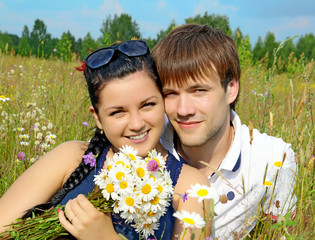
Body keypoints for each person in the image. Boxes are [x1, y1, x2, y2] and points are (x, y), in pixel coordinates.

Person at [0, 40, 211, 239]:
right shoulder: (70, 158)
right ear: (97, 117)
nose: (136, 124)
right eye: (118, 112)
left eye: (147, 105)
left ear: (163, 101)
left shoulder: (190, 187)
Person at [151, 24, 297, 239]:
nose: (183, 110)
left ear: (231, 89)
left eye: (198, 91)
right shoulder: (146, 147)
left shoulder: (273, 159)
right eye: (170, 93)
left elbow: (281, 233)